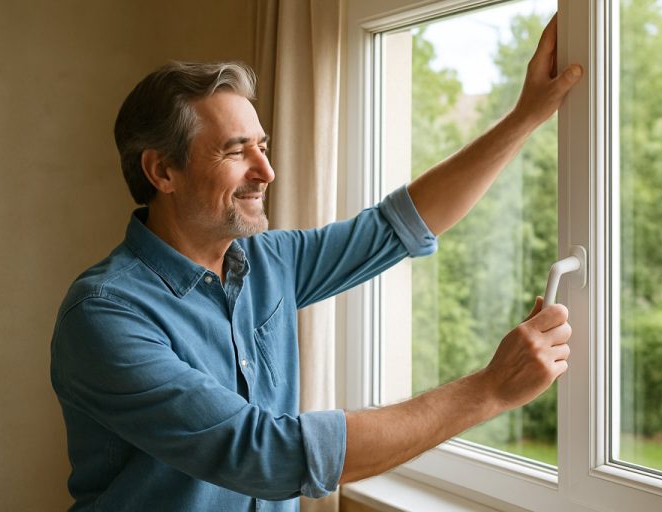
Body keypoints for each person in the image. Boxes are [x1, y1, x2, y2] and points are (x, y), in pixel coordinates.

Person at [50, 15, 581, 512]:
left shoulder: (268, 261)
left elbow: (398, 226)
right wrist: (488, 391)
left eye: (263, 146)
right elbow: (266, 455)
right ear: (162, 171)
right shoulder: (105, 315)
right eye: (237, 152)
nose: (268, 170)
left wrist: (527, 115)